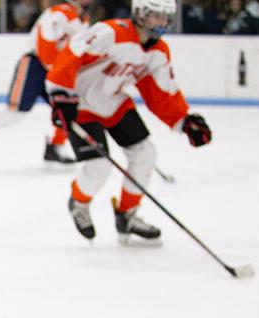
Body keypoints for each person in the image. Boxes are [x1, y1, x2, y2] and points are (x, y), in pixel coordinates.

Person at [45, 0, 211, 244]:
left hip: (114, 103)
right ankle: (79, 203)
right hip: (80, 104)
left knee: (146, 155)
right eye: (155, 15)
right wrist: (60, 92)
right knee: (100, 168)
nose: (160, 22)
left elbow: (160, 91)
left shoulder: (158, 51)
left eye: (165, 17)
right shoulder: (112, 32)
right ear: (140, 13)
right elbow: (74, 51)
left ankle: (127, 215)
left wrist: (183, 120)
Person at [0, 0, 92, 163]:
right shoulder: (58, 13)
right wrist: (61, 70)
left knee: (68, 109)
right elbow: (46, 52)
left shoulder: (84, 20)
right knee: (16, 113)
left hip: (56, 69)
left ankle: (54, 147)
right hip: (35, 65)